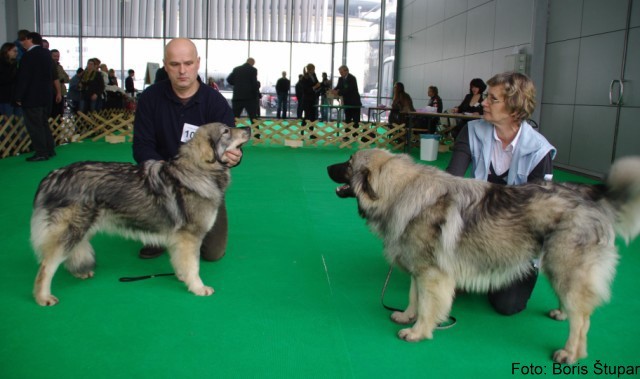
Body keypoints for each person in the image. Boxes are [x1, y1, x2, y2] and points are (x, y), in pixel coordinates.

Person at [446, 71, 556, 316]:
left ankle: (483, 272)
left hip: (515, 242)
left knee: (508, 305)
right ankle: (474, 268)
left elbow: (536, 212)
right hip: (474, 232)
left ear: (515, 109)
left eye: (493, 99)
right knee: (449, 286)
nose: (483, 102)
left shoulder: (540, 151)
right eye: (486, 96)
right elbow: (451, 180)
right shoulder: (471, 131)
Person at [132, 37, 241, 261]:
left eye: (188, 63)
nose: (182, 70)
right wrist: (167, 174)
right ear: (165, 64)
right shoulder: (150, 98)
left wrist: (234, 157)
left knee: (213, 253)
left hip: (203, 184)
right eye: (174, 64)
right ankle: (159, 234)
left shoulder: (215, 102)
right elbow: (142, 146)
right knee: (155, 224)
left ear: (198, 63)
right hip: (160, 180)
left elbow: (229, 146)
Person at [14, 32, 57, 161]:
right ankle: (49, 149)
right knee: (43, 124)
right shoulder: (46, 54)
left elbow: (24, 78)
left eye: (24, 40)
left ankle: (41, 153)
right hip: (46, 96)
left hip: (32, 97)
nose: (22, 43)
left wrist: (18, 96)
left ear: (30, 39)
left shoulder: (29, 56)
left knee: (34, 126)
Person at [226, 58, 259, 123]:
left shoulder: (236, 69)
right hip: (250, 98)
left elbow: (229, 79)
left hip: (237, 97)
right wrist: (257, 88)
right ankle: (256, 133)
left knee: (234, 118)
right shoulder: (253, 70)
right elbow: (254, 84)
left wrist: (236, 84)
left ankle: (231, 132)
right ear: (252, 63)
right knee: (253, 118)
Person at [0, 42, 21, 117]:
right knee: (7, 121)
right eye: (14, 51)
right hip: (4, 97)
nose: (16, 53)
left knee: (19, 120)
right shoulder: (2, 64)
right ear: (7, 51)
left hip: (15, 97)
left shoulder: (16, 64)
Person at [50, 49, 70, 118]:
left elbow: (67, 78)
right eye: (54, 56)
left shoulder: (60, 67)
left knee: (60, 113)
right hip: (52, 93)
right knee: (53, 113)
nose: (56, 58)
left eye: (58, 56)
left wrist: (61, 79)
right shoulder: (48, 67)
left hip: (61, 93)